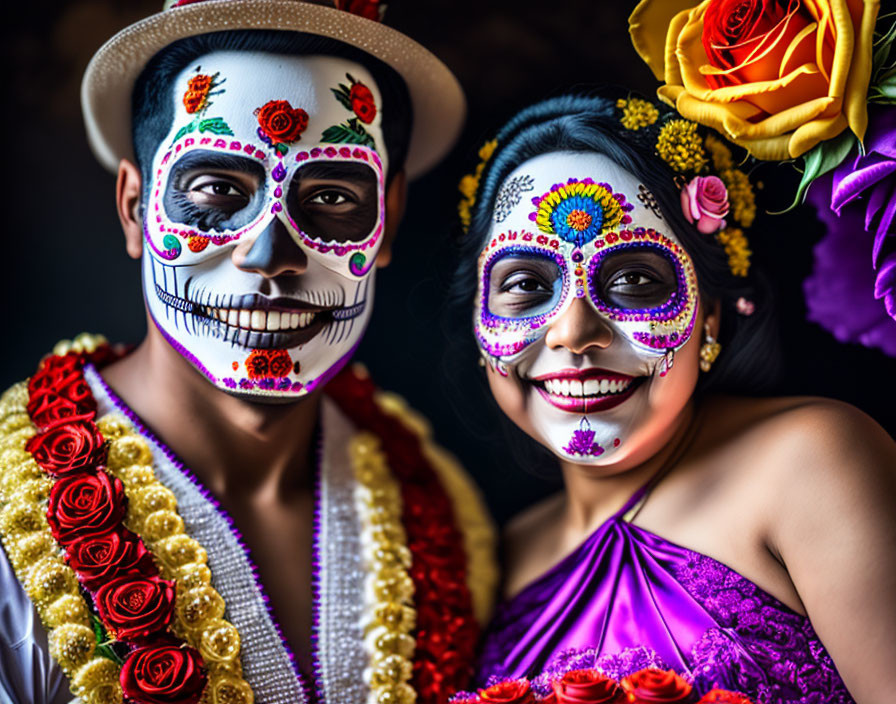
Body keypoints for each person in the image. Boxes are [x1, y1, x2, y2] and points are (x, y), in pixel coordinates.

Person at [0, 1, 495, 703]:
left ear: (387, 226)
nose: (270, 255)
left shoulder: (444, 514)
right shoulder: (5, 526)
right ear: (136, 209)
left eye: (329, 196)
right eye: (217, 191)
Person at [452, 93, 896, 703]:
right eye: (526, 284)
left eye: (634, 279)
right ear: (479, 323)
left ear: (712, 315)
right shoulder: (502, 556)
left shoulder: (812, 463)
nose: (575, 333)